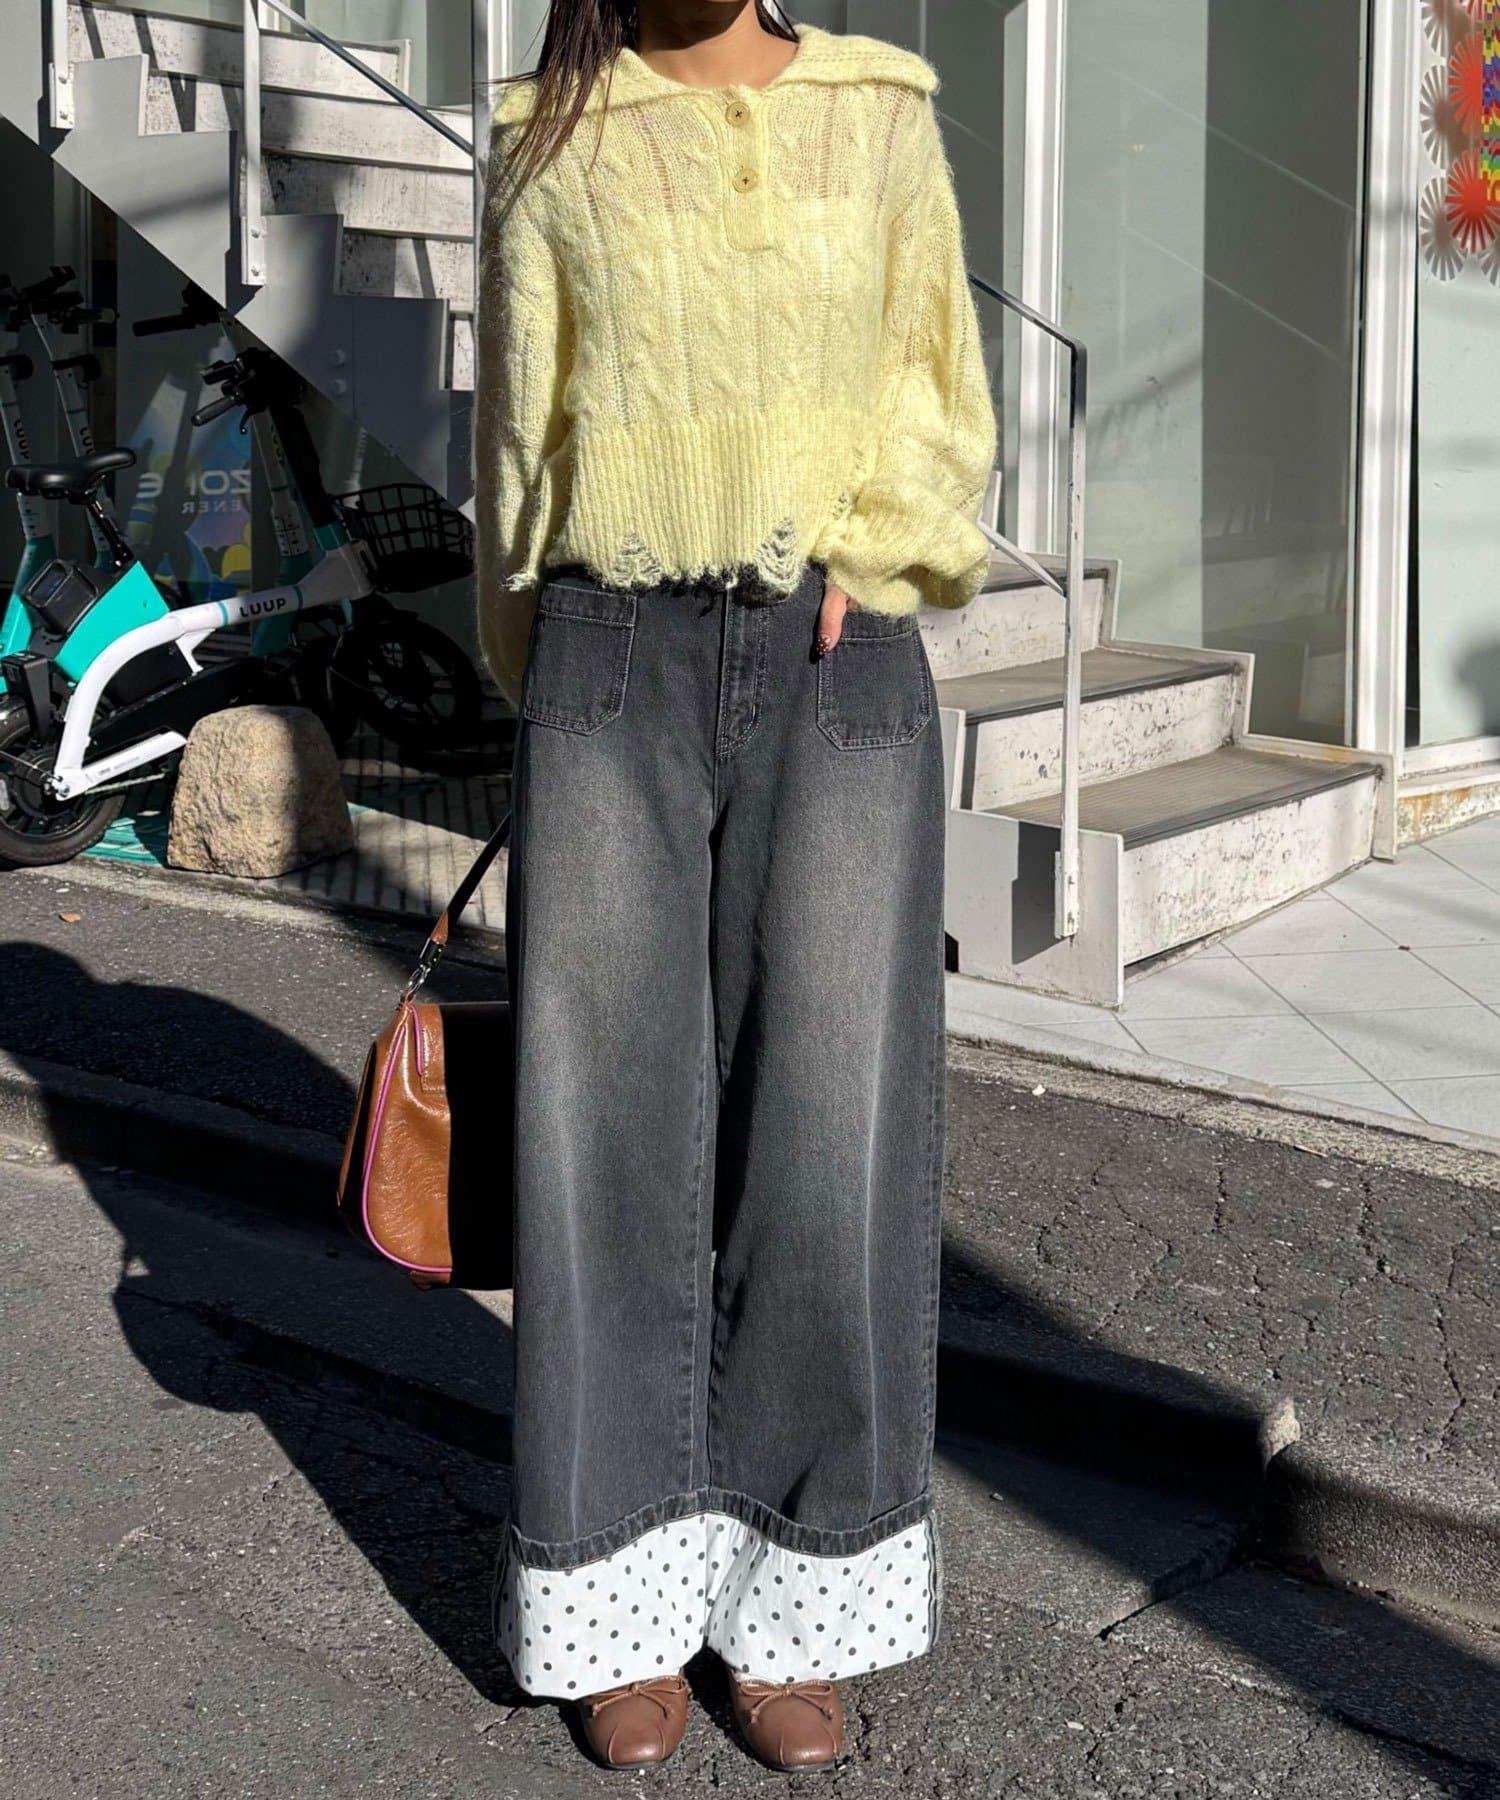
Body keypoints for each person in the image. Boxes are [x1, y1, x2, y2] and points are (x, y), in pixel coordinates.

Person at [473, 0, 996, 1772]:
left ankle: (800, 1596)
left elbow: (941, 390)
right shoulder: (550, 135)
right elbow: (518, 442)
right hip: (609, 647)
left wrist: (883, 544)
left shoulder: (880, 112)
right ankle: (610, 1597)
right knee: (599, 1130)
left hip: (836, 655)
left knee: (828, 1125)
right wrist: (541, 673)